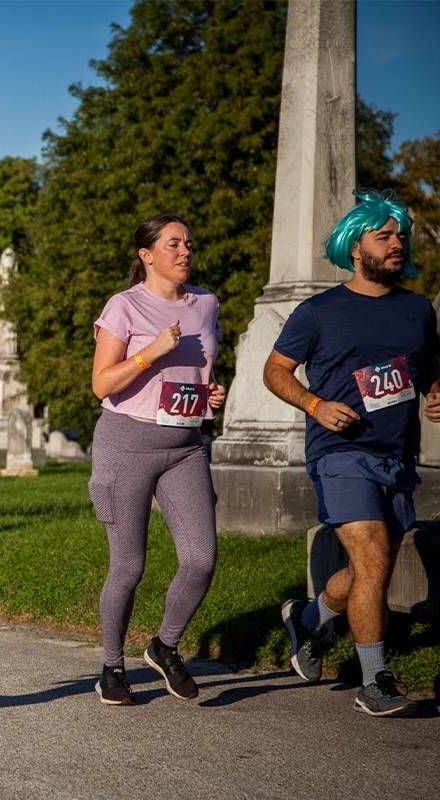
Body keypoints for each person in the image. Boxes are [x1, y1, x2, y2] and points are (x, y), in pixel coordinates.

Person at [265, 190, 439, 717]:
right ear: (354, 244)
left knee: (369, 569)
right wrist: (315, 405)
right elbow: (274, 372)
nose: (395, 244)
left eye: (400, 236)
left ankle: (310, 619)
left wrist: (435, 392)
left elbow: (427, 366)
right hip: (339, 452)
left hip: (395, 453)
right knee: (374, 556)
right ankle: (375, 680)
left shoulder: (416, 310)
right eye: (383, 235)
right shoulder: (319, 312)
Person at [87, 214, 225, 706]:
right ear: (147, 255)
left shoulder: (205, 304)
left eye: (188, 243)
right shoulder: (124, 307)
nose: (185, 251)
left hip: (185, 445)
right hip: (127, 445)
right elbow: (101, 384)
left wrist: (210, 393)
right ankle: (110, 668)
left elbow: (196, 373)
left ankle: (165, 646)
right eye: (173, 244)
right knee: (128, 567)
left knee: (201, 558)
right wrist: (151, 353)